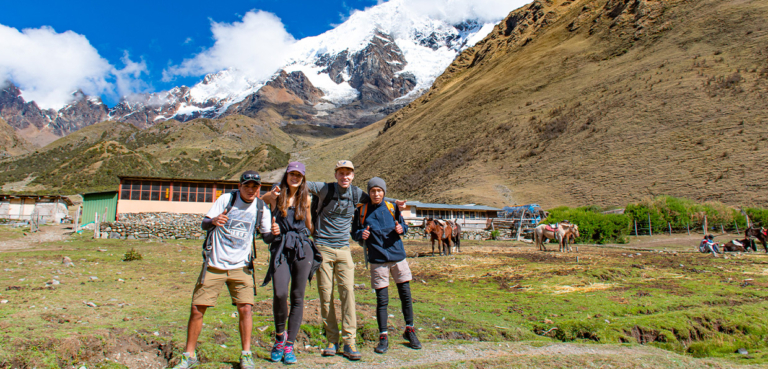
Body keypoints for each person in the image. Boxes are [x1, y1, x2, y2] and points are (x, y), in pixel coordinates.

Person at [263, 160, 404, 361]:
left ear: (353, 175)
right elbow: (299, 184)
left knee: (348, 293)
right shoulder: (324, 189)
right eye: (341, 173)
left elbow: (376, 197)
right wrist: (275, 192)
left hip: (344, 249)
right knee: (325, 294)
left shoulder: (357, 194)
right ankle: (332, 339)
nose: (344, 177)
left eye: (348, 173)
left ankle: (350, 341)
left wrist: (395, 202)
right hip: (322, 248)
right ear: (336, 174)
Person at [172, 171, 271, 369]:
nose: (251, 190)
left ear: (259, 188)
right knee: (197, 308)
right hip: (214, 264)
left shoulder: (261, 207)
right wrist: (214, 221)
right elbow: (205, 223)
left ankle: (246, 354)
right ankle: (188, 355)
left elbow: (267, 236)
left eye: (255, 186)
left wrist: (274, 234)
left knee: (246, 309)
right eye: (247, 186)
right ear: (240, 186)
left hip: (242, 267)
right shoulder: (226, 199)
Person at [260, 162, 322, 365]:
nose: (295, 177)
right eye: (291, 174)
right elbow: (261, 204)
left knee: (298, 296)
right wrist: (271, 226)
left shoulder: (307, 198)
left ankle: (289, 345)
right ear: (286, 175)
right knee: (279, 292)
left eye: (299, 175)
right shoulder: (275, 196)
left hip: (302, 248)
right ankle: (280, 337)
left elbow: (310, 226)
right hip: (281, 247)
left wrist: (314, 232)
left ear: (303, 178)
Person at [352, 177, 421, 354]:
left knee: (405, 295)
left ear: (384, 192)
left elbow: (403, 226)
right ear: (369, 193)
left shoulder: (392, 208)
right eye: (373, 191)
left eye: (379, 191)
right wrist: (361, 234)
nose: (376, 194)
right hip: (377, 260)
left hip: (398, 258)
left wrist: (402, 230)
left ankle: (410, 330)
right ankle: (383, 336)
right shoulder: (362, 211)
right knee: (382, 300)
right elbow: (354, 232)